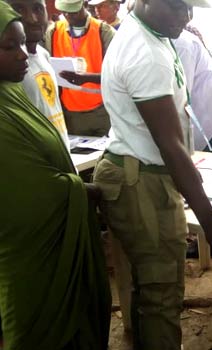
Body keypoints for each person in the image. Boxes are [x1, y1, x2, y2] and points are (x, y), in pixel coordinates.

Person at [93, 0, 212, 348]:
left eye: (188, 7)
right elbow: (170, 146)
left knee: (147, 287)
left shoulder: (153, 35)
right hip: (142, 181)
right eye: (176, 6)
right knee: (161, 295)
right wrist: (210, 221)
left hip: (137, 169)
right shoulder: (144, 52)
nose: (185, 16)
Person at [0, 2, 111, 349]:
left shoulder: (10, 92)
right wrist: (80, 190)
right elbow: (21, 191)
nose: (23, 55)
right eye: (10, 47)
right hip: (29, 249)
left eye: (22, 45)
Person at [45, 0, 115, 136]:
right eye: (64, 11)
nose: (68, 15)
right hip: (68, 113)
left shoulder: (104, 32)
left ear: (84, 4)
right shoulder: (53, 32)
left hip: (101, 112)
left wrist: (86, 78)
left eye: (73, 11)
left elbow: (116, 77)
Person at [7, 0, 69, 148]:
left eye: (38, 9)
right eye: (18, 10)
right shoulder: (11, 68)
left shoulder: (43, 55)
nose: (32, 18)